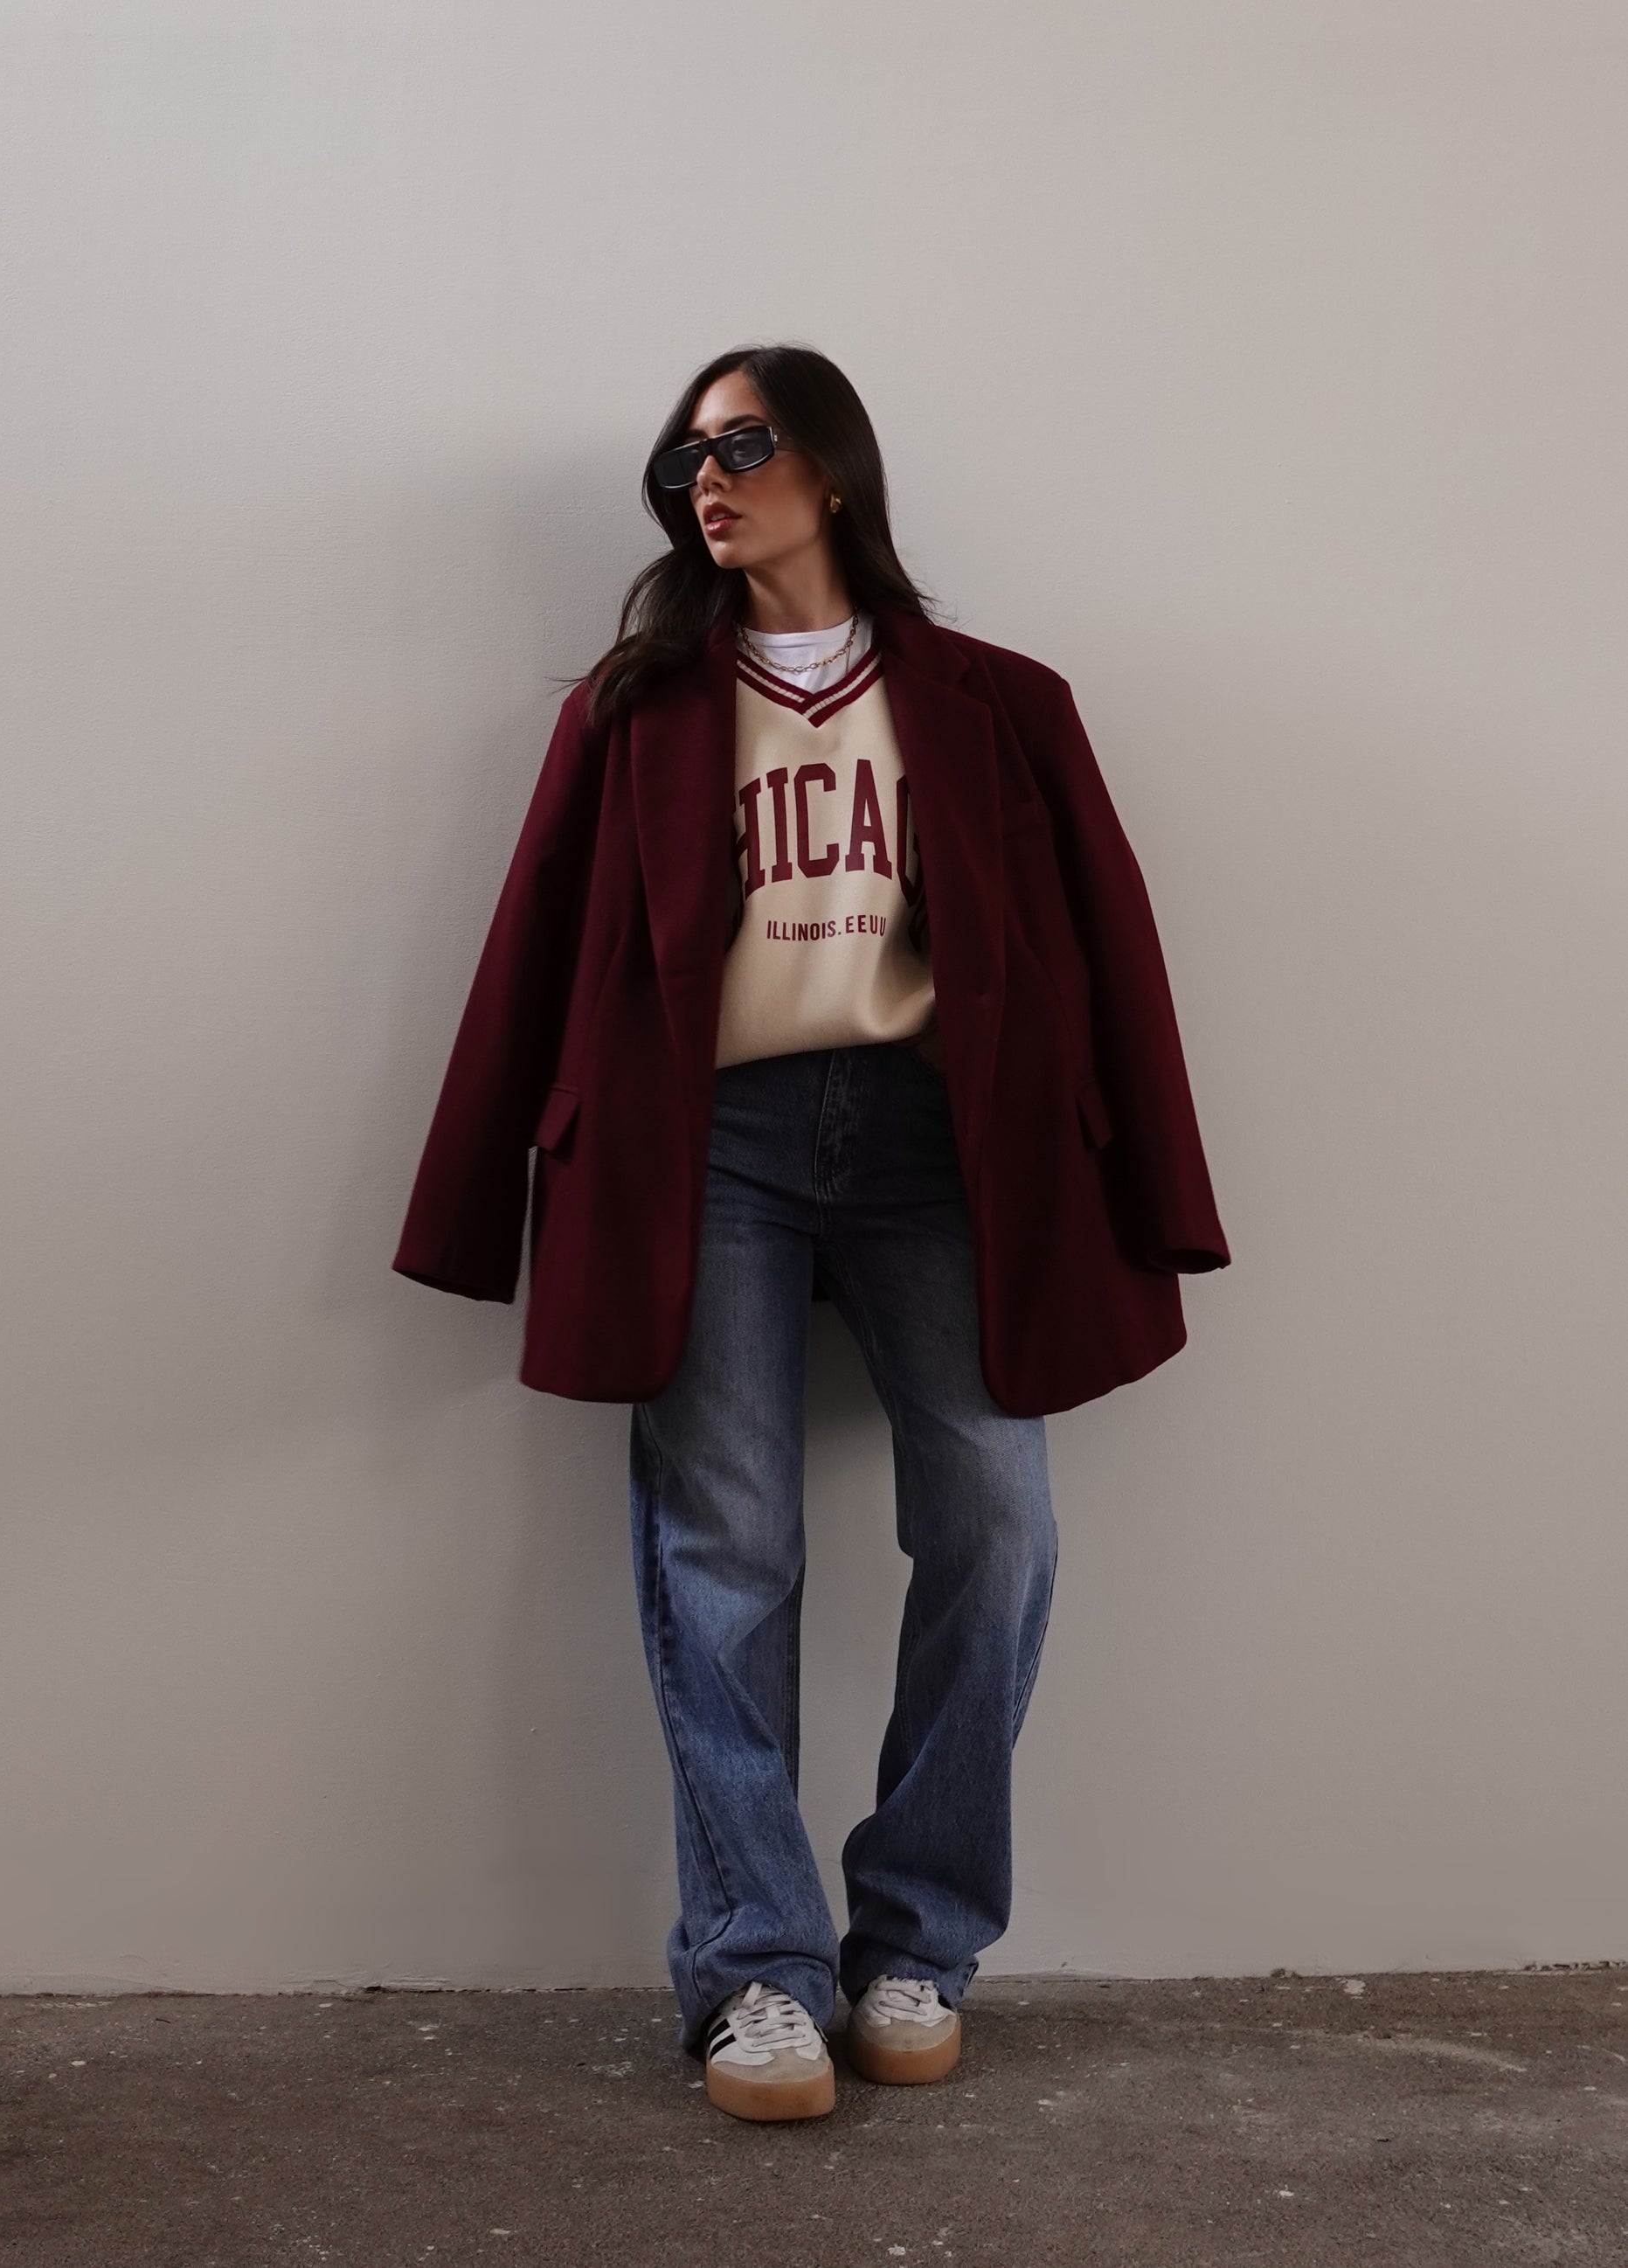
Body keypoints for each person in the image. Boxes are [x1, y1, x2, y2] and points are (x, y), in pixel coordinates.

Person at [392, 343, 1230, 2126]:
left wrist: (1161, 1187)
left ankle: (918, 1939)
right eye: (684, 459)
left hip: (945, 1144)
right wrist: (468, 1206)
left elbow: (1110, 946)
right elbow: (534, 946)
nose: (707, 479)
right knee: (728, 1549)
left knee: (995, 1522)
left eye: (744, 444)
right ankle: (757, 1968)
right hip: (712, 1148)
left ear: (832, 468)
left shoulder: (1001, 701)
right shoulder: (633, 711)